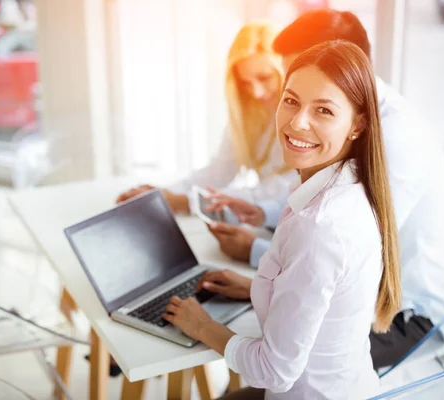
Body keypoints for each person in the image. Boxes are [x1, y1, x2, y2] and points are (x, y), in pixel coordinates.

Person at [205, 9, 444, 370]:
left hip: (406, 316)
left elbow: (361, 254)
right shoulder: (351, 113)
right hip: (354, 292)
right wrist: (263, 223)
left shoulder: (399, 139)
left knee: (271, 351)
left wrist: (255, 254)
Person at [164, 40, 401, 399]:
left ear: (357, 124)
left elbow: (274, 371)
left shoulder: (319, 227)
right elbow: (325, 296)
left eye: (323, 110)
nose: (297, 122)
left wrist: (203, 327)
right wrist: (258, 288)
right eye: (291, 101)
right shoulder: (350, 187)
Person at [115, 21, 298, 213]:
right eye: (245, 83)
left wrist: (187, 202)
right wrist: (161, 195)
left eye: (264, 78)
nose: (257, 92)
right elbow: (218, 171)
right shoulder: (248, 118)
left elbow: (280, 191)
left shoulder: (300, 120)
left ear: (284, 71)